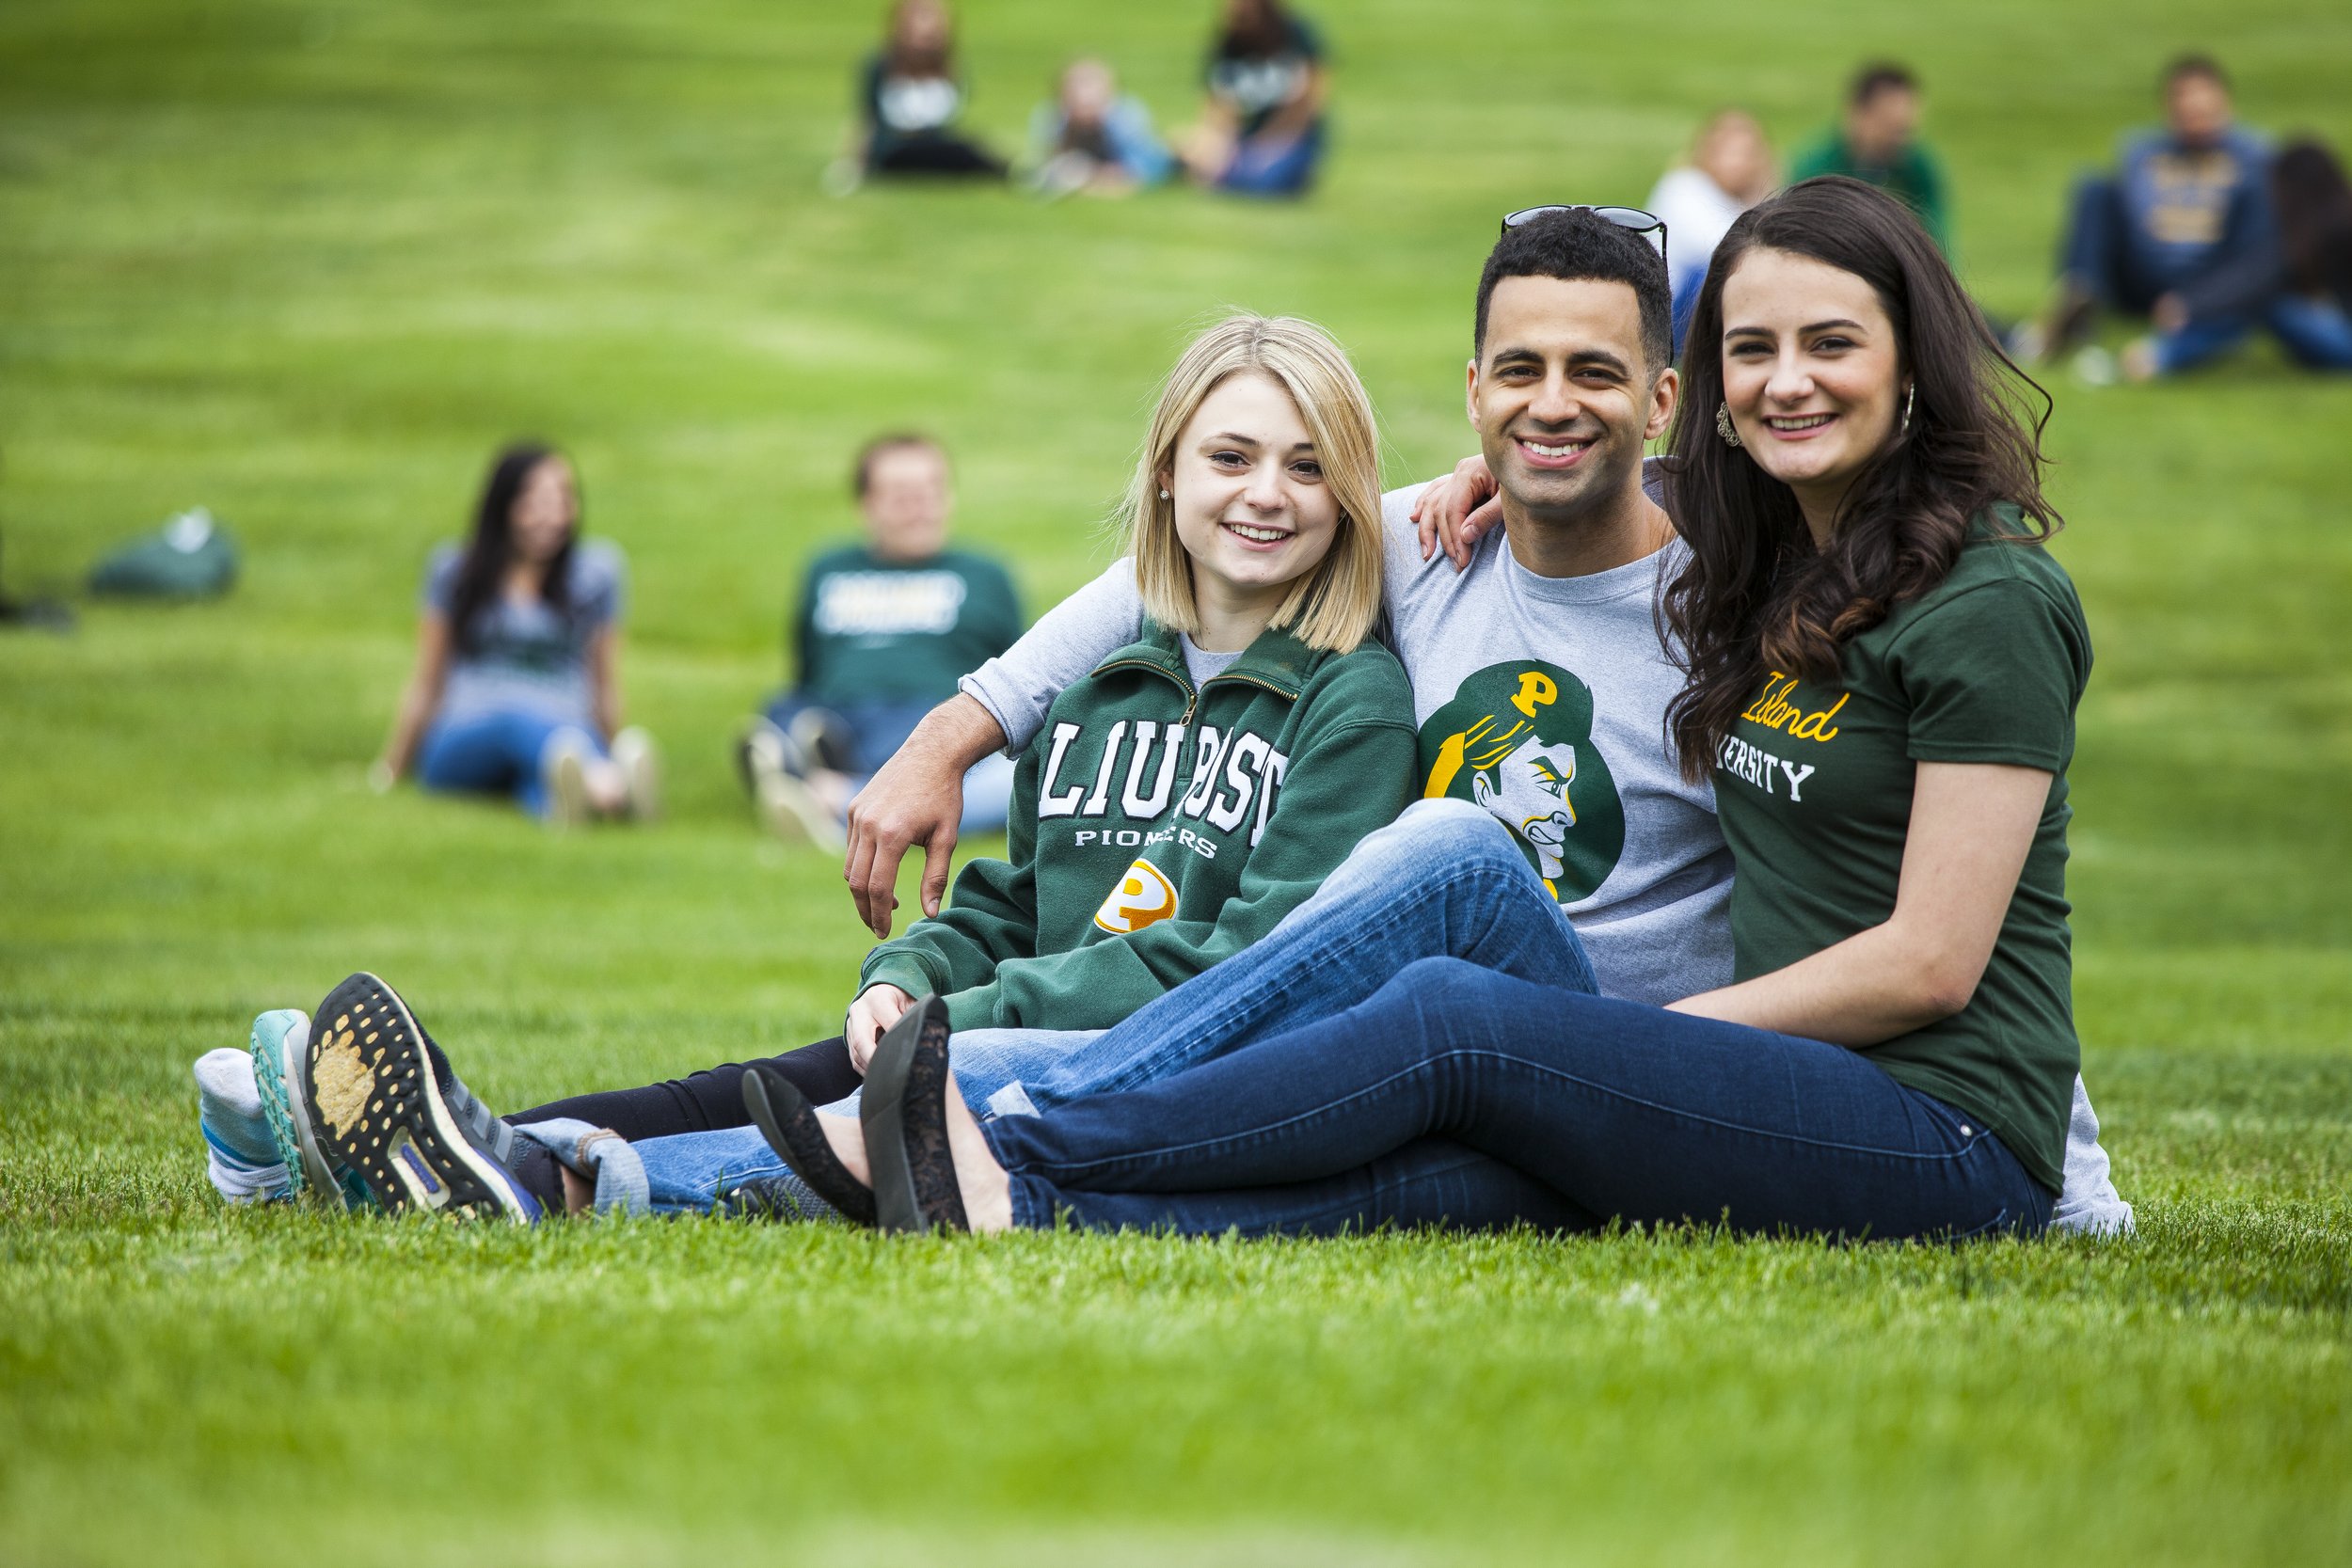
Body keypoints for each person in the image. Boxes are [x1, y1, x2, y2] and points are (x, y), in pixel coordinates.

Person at [758, 177, 2110, 1246]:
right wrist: (957, 727)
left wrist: (1624, 1043)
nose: (1787, 379)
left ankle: (1016, 1127)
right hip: (1785, 1086)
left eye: (1832, 344)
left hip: (1940, 1127)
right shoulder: (1771, 560)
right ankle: (985, 1188)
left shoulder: (1982, 600)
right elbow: (1181, 563)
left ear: (1913, 362)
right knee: (1415, 1146)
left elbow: (1939, 962)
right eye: (1754, 348)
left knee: (1452, 989)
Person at [230, 313, 1418, 1221]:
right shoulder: (1104, 680)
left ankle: (530, 1179)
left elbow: (1249, 960)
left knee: (845, 1114)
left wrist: (959, 1016)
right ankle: (438, 1144)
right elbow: (1027, 896)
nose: (1267, 494)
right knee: (747, 1077)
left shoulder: (1351, 699)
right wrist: (906, 972)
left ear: (1351, 495)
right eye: (1231, 456)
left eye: (1309, 466)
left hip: (1163, 1061)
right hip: (1007, 1017)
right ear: (1167, 473)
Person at [742, 435, 1024, 848]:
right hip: (835, 710)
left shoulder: (985, 575)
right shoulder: (828, 568)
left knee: (999, 772)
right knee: (787, 712)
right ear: (866, 504)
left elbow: (1018, 677)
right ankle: (806, 761)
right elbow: (807, 666)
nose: (919, 509)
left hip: (928, 719)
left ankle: (833, 796)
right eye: (901, 496)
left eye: (931, 492)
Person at [373, 442, 654, 826]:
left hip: (567, 735)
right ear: (502, 504)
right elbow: (427, 682)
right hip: (464, 736)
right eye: (534, 501)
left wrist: (609, 742)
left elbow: (602, 682)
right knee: (515, 720)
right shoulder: (454, 570)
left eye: (562, 499)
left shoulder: (595, 575)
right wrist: (391, 768)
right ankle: (607, 783)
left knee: (546, 774)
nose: (550, 515)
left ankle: (569, 806)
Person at [2022, 55, 2273, 369]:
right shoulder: (2142, 151)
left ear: (2224, 104)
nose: (2193, 110)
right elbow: (2137, 222)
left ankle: (2200, 320)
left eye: (2202, 103)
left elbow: (2253, 244)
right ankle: (2078, 300)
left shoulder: (2255, 157)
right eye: (2183, 101)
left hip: (2211, 276)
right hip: (2148, 273)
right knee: (2094, 188)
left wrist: (2197, 298)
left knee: (2263, 217)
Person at [2120, 136, 2352, 378]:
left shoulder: (2334, 226)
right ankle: (2161, 355)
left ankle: (2160, 356)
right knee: (2262, 300)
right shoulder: (2331, 220)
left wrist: (2190, 306)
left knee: (2264, 301)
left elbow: (2260, 278)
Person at [1648, 109, 1777, 356]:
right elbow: (1721, 248)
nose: (1737, 163)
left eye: (1745, 154)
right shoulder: (1684, 186)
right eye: (1728, 153)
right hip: (1670, 308)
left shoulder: (1743, 202)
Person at [1789, 64, 1949, 257]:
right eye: (1889, 125)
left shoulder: (1918, 165)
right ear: (1857, 114)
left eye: (1905, 130)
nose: (1899, 139)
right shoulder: (1816, 166)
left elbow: (1937, 235)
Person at [842, 0, 1005, 185]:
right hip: (895, 148)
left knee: (965, 147)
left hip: (937, 145)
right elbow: (867, 119)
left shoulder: (952, 68)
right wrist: (855, 162)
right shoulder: (881, 66)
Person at [1178, 0, 1328, 198]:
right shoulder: (1229, 42)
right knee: (1206, 159)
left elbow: (1311, 99)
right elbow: (1218, 103)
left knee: (1260, 184)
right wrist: (1216, 142)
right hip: (1247, 137)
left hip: (1294, 137)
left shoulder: (1293, 34)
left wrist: (1266, 142)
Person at [1025, 58, 1174, 198]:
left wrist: (1091, 178)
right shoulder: (1052, 118)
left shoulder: (1125, 120)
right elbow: (1051, 162)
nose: (1085, 102)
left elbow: (1138, 173)